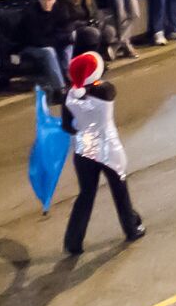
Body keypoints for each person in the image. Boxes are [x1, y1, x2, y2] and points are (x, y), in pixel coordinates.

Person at [59, 52, 144, 256]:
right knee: (119, 189)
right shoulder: (105, 90)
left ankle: (73, 241)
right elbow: (100, 85)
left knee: (86, 194)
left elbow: (67, 126)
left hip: (84, 146)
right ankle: (131, 228)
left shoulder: (69, 95)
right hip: (107, 146)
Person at [15, 0, 75, 93]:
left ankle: (70, 75)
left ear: (54, 0)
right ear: (39, 0)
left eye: (49, 0)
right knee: (49, 51)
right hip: (30, 47)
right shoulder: (31, 14)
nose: (47, 3)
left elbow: (67, 29)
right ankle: (60, 88)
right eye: (44, 0)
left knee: (70, 42)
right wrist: (57, 40)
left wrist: (61, 40)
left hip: (52, 41)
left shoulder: (60, 9)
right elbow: (35, 39)